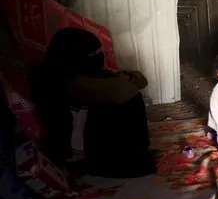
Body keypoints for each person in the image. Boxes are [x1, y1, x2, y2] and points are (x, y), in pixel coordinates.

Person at [31, 27, 155, 178]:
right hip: (85, 157)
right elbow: (124, 90)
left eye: (99, 52)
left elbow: (140, 80)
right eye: (93, 54)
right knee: (128, 100)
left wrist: (123, 78)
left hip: (88, 151)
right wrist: (123, 81)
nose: (99, 56)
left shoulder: (84, 73)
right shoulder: (64, 82)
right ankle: (125, 162)